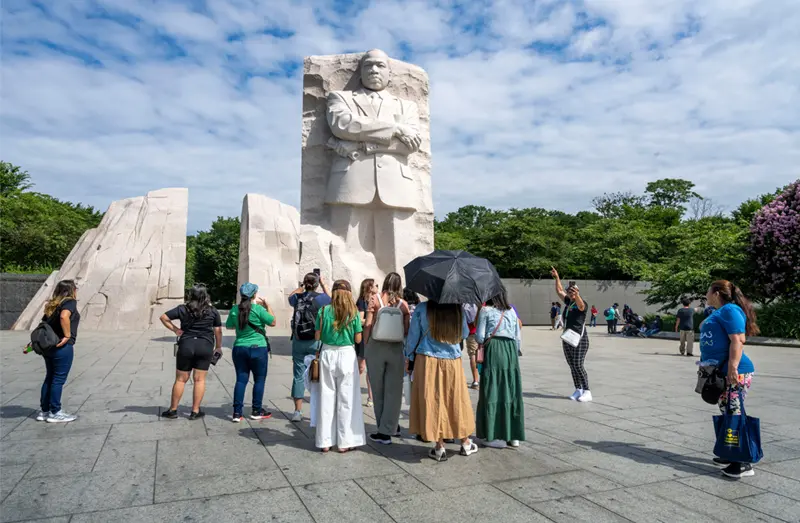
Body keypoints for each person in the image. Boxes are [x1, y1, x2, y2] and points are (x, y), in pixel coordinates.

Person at [405, 300, 478, 462]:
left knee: (433, 400)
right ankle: (465, 442)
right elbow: (464, 334)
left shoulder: (423, 308)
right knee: (456, 400)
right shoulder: (457, 309)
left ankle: (439, 446)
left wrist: (409, 356)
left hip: (427, 358)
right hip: (452, 360)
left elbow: (413, 336)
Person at [701, 280, 759, 478]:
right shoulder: (719, 312)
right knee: (729, 411)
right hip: (720, 371)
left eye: (708, 291)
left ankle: (742, 462)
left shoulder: (730, 310)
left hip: (735, 371)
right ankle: (730, 451)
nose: (706, 294)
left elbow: (738, 340)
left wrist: (732, 368)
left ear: (716, 292)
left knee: (734, 412)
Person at [315, 279, 367, 452]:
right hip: (346, 354)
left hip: (328, 353)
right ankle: (344, 442)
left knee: (326, 397)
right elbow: (358, 339)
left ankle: (325, 441)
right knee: (347, 398)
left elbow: (318, 336)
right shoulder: (353, 312)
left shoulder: (323, 311)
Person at [160, 285, 223, 420]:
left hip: (186, 345)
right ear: (205, 296)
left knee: (180, 380)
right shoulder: (212, 311)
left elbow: (163, 317)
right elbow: (218, 330)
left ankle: (173, 410)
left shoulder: (183, 309)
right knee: (199, 380)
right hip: (205, 346)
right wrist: (218, 347)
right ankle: (195, 411)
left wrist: (176, 330)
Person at [364, 272, 411, 444]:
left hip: (376, 346)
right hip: (396, 348)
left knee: (377, 389)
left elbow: (368, 324)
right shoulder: (403, 304)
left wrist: (366, 345)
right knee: (394, 390)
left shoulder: (375, 299)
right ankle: (391, 427)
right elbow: (406, 330)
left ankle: (382, 432)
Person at [475, 287, 524, 449]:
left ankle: (492, 433)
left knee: (492, 389)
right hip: (510, 351)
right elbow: (517, 337)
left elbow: (480, 336)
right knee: (510, 390)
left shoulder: (486, 310)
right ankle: (513, 435)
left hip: (494, 348)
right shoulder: (511, 311)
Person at [226, 283, 277, 422]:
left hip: (239, 347)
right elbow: (273, 322)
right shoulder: (258, 309)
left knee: (241, 380)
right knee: (259, 379)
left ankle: (237, 413)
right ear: (254, 295)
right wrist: (267, 306)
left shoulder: (235, 310)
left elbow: (229, 326)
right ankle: (256, 410)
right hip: (258, 348)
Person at [287, 273, 331, 422]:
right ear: (317, 284)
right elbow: (332, 299)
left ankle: (297, 411)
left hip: (298, 341)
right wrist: (324, 284)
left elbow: (289, 297)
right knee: (319, 374)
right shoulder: (320, 298)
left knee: (298, 375)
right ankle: (320, 408)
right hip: (315, 340)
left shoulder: (297, 298)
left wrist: (301, 287)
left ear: (305, 283)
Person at [37, 280, 80, 423]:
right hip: (62, 347)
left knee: (49, 377)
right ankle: (55, 411)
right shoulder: (69, 302)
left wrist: (33, 344)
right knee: (58, 379)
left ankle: (44, 411)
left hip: (48, 347)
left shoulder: (51, 305)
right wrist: (67, 335)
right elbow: (64, 316)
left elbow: (43, 326)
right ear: (72, 290)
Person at [551, 267, 592, 402]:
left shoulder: (582, 303)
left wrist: (577, 295)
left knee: (578, 364)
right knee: (571, 364)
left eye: (573, 291)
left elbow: (580, 306)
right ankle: (578, 388)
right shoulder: (568, 302)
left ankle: (587, 391)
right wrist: (557, 277)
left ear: (577, 292)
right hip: (567, 337)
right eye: (569, 292)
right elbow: (559, 291)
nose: (570, 293)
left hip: (580, 338)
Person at [356, 278, 376, 407]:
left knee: (371, 369)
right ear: (369, 287)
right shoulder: (362, 301)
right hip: (364, 337)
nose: (376, 287)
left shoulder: (376, 300)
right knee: (361, 367)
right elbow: (360, 320)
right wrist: (371, 320)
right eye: (375, 285)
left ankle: (371, 397)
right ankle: (352, 392)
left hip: (374, 337)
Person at [463, 303, 480, 388]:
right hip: (481, 331)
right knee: (481, 354)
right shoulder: (480, 301)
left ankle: (476, 380)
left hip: (470, 332)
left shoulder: (463, 302)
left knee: (473, 354)